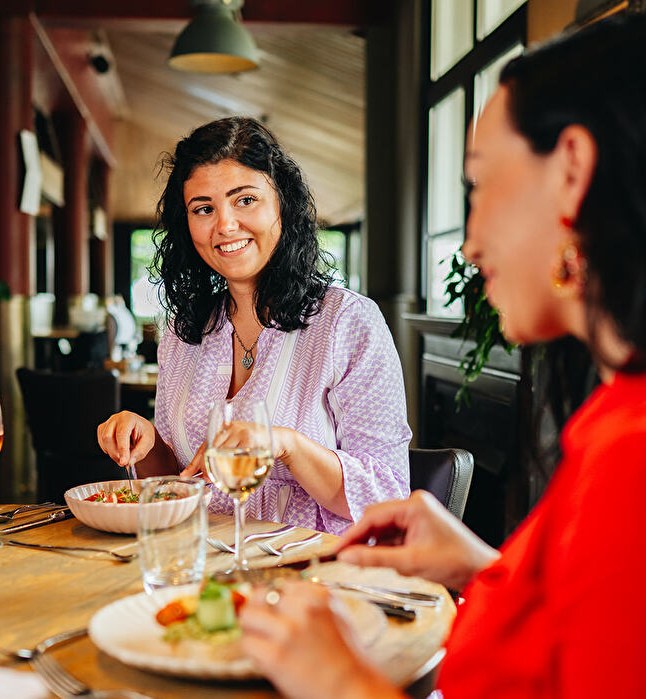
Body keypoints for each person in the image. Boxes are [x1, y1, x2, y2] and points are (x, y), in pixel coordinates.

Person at [239, 14, 646, 698]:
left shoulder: (630, 456)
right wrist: (483, 568)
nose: (468, 242)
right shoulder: (614, 410)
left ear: (572, 170)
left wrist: (340, 682)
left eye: (479, 188)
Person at [97, 117, 411, 534]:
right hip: (203, 559)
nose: (225, 225)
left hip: (319, 570)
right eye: (204, 209)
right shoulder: (183, 331)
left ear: (282, 203)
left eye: (245, 200)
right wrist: (146, 443)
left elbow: (387, 496)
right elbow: (179, 478)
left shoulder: (347, 321)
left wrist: (285, 445)